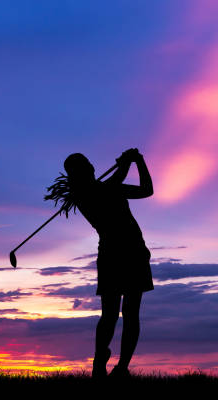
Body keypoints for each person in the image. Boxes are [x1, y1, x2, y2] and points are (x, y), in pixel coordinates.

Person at [63, 148, 154, 379]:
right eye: (83, 168)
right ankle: (100, 363)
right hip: (116, 255)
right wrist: (131, 161)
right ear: (79, 174)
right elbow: (116, 181)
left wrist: (136, 162)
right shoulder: (85, 194)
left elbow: (146, 190)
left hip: (132, 252)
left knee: (127, 314)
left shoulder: (105, 189)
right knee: (113, 314)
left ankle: (121, 368)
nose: (90, 169)